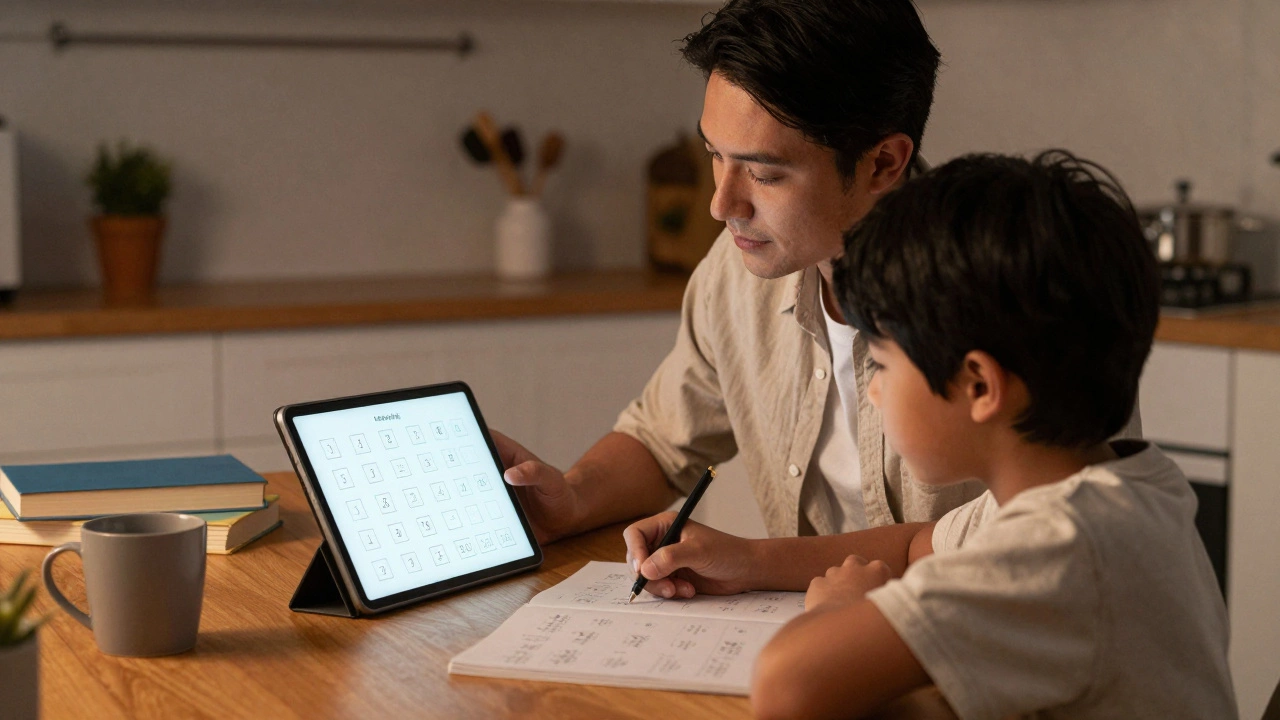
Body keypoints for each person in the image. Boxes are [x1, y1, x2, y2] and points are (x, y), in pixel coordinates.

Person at [495, 0, 997, 581]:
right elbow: (664, 440)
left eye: (763, 173)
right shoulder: (736, 272)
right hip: (820, 631)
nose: (721, 205)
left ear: (883, 163)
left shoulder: (1008, 293)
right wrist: (573, 497)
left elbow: (1032, 534)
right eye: (714, 155)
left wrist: (757, 562)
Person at [749, 150, 1236, 719]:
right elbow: (912, 546)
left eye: (882, 364)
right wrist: (744, 560)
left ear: (979, 384)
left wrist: (837, 611)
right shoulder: (1112, 486)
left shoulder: (1064, 545)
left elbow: (786, 688)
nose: (875, 392)